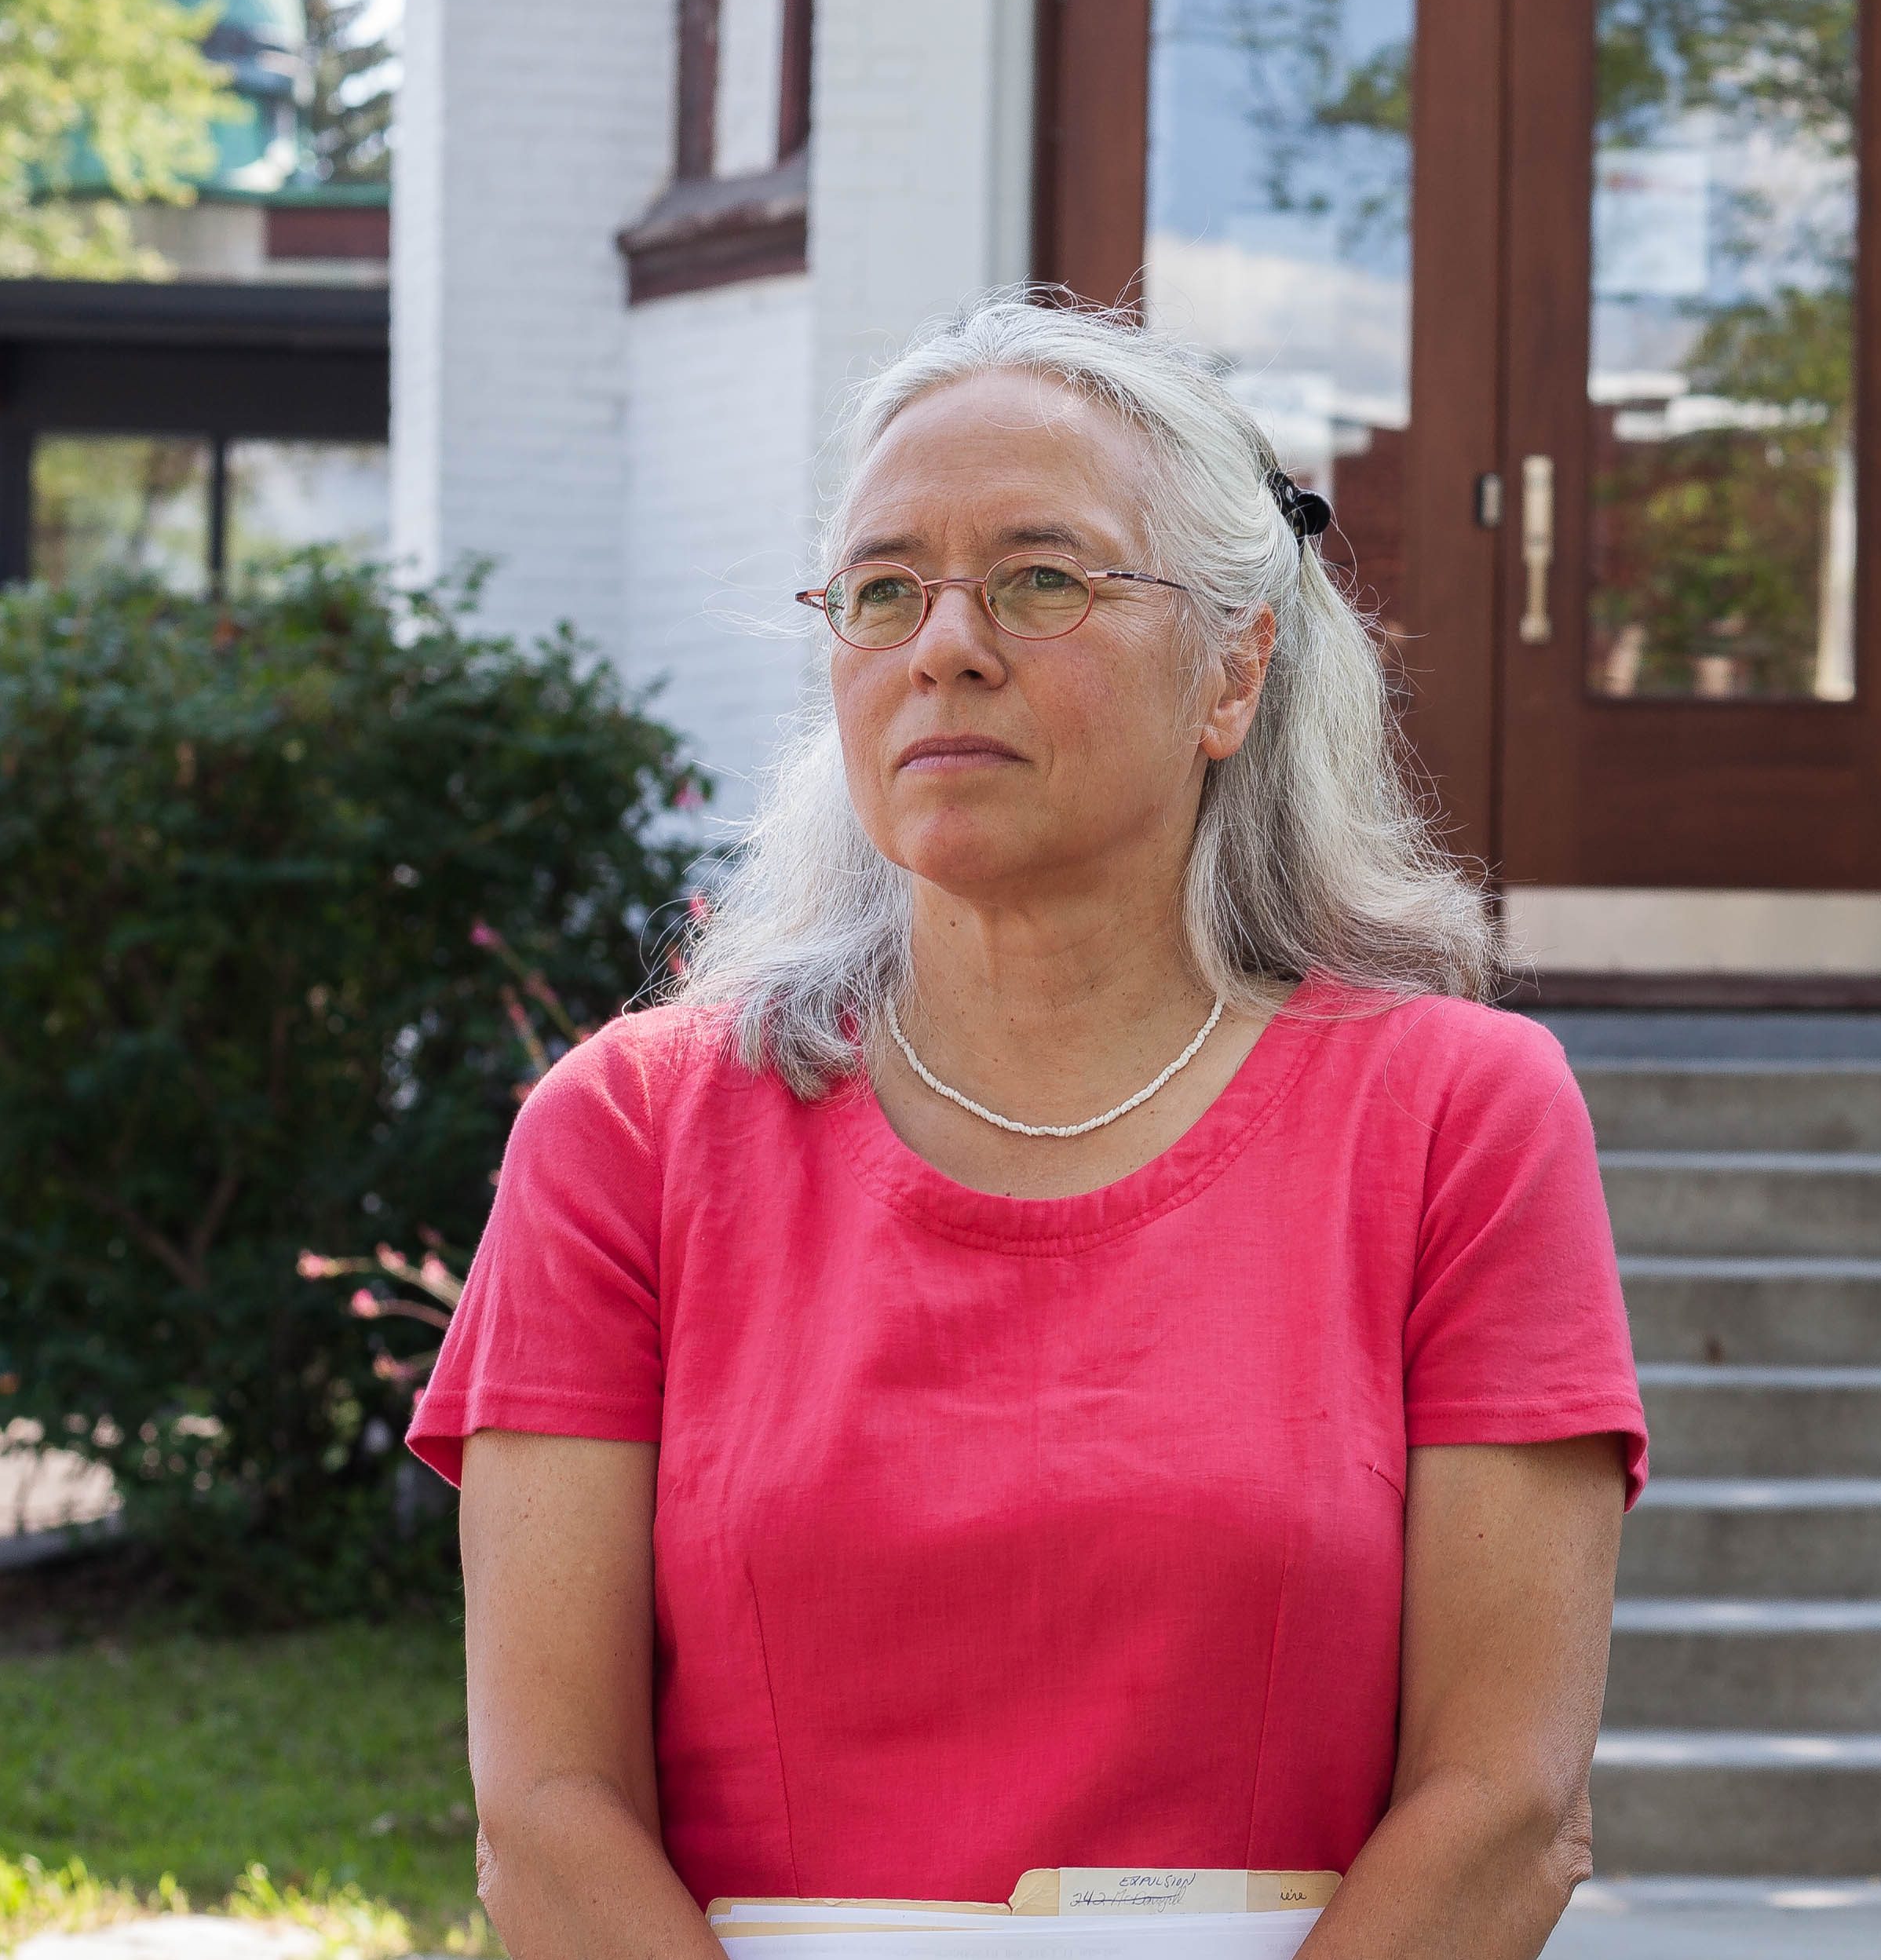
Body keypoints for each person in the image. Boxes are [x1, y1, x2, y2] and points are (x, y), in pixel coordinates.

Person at [408, 293, 1642, 1960]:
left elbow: (1504, 1802)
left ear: (1232, 666)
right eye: (882, 589)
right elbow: (545, 1816)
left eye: (1042, 577)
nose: (945, 643)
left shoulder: (1454, 1120)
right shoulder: (627, 1134)